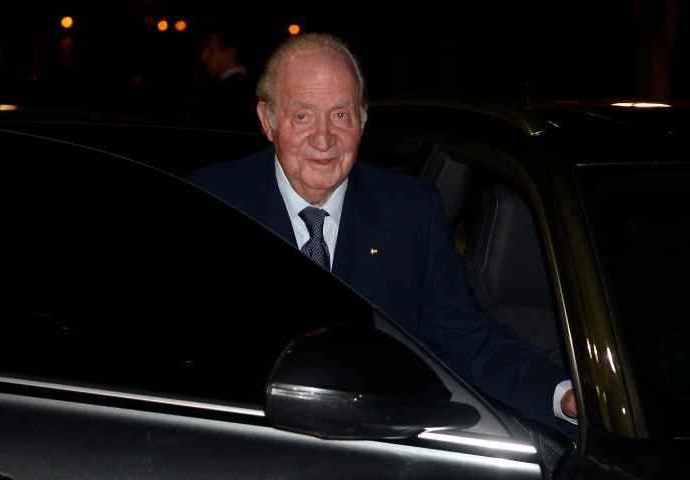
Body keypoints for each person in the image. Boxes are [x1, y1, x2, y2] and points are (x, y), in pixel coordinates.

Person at [187, 32, 577, 436]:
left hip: (382, 447)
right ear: (267, 120)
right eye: (303, 116)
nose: (323, 138)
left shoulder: (410, 210)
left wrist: (560, 394)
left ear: (362, 120)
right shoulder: (211, 205)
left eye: (341, 115)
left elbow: (464, 339)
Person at [188, 29, 258, 131]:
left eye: (211, 50)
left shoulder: (223, 94)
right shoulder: (255, 87)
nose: (204, 56)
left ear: (230, 54)